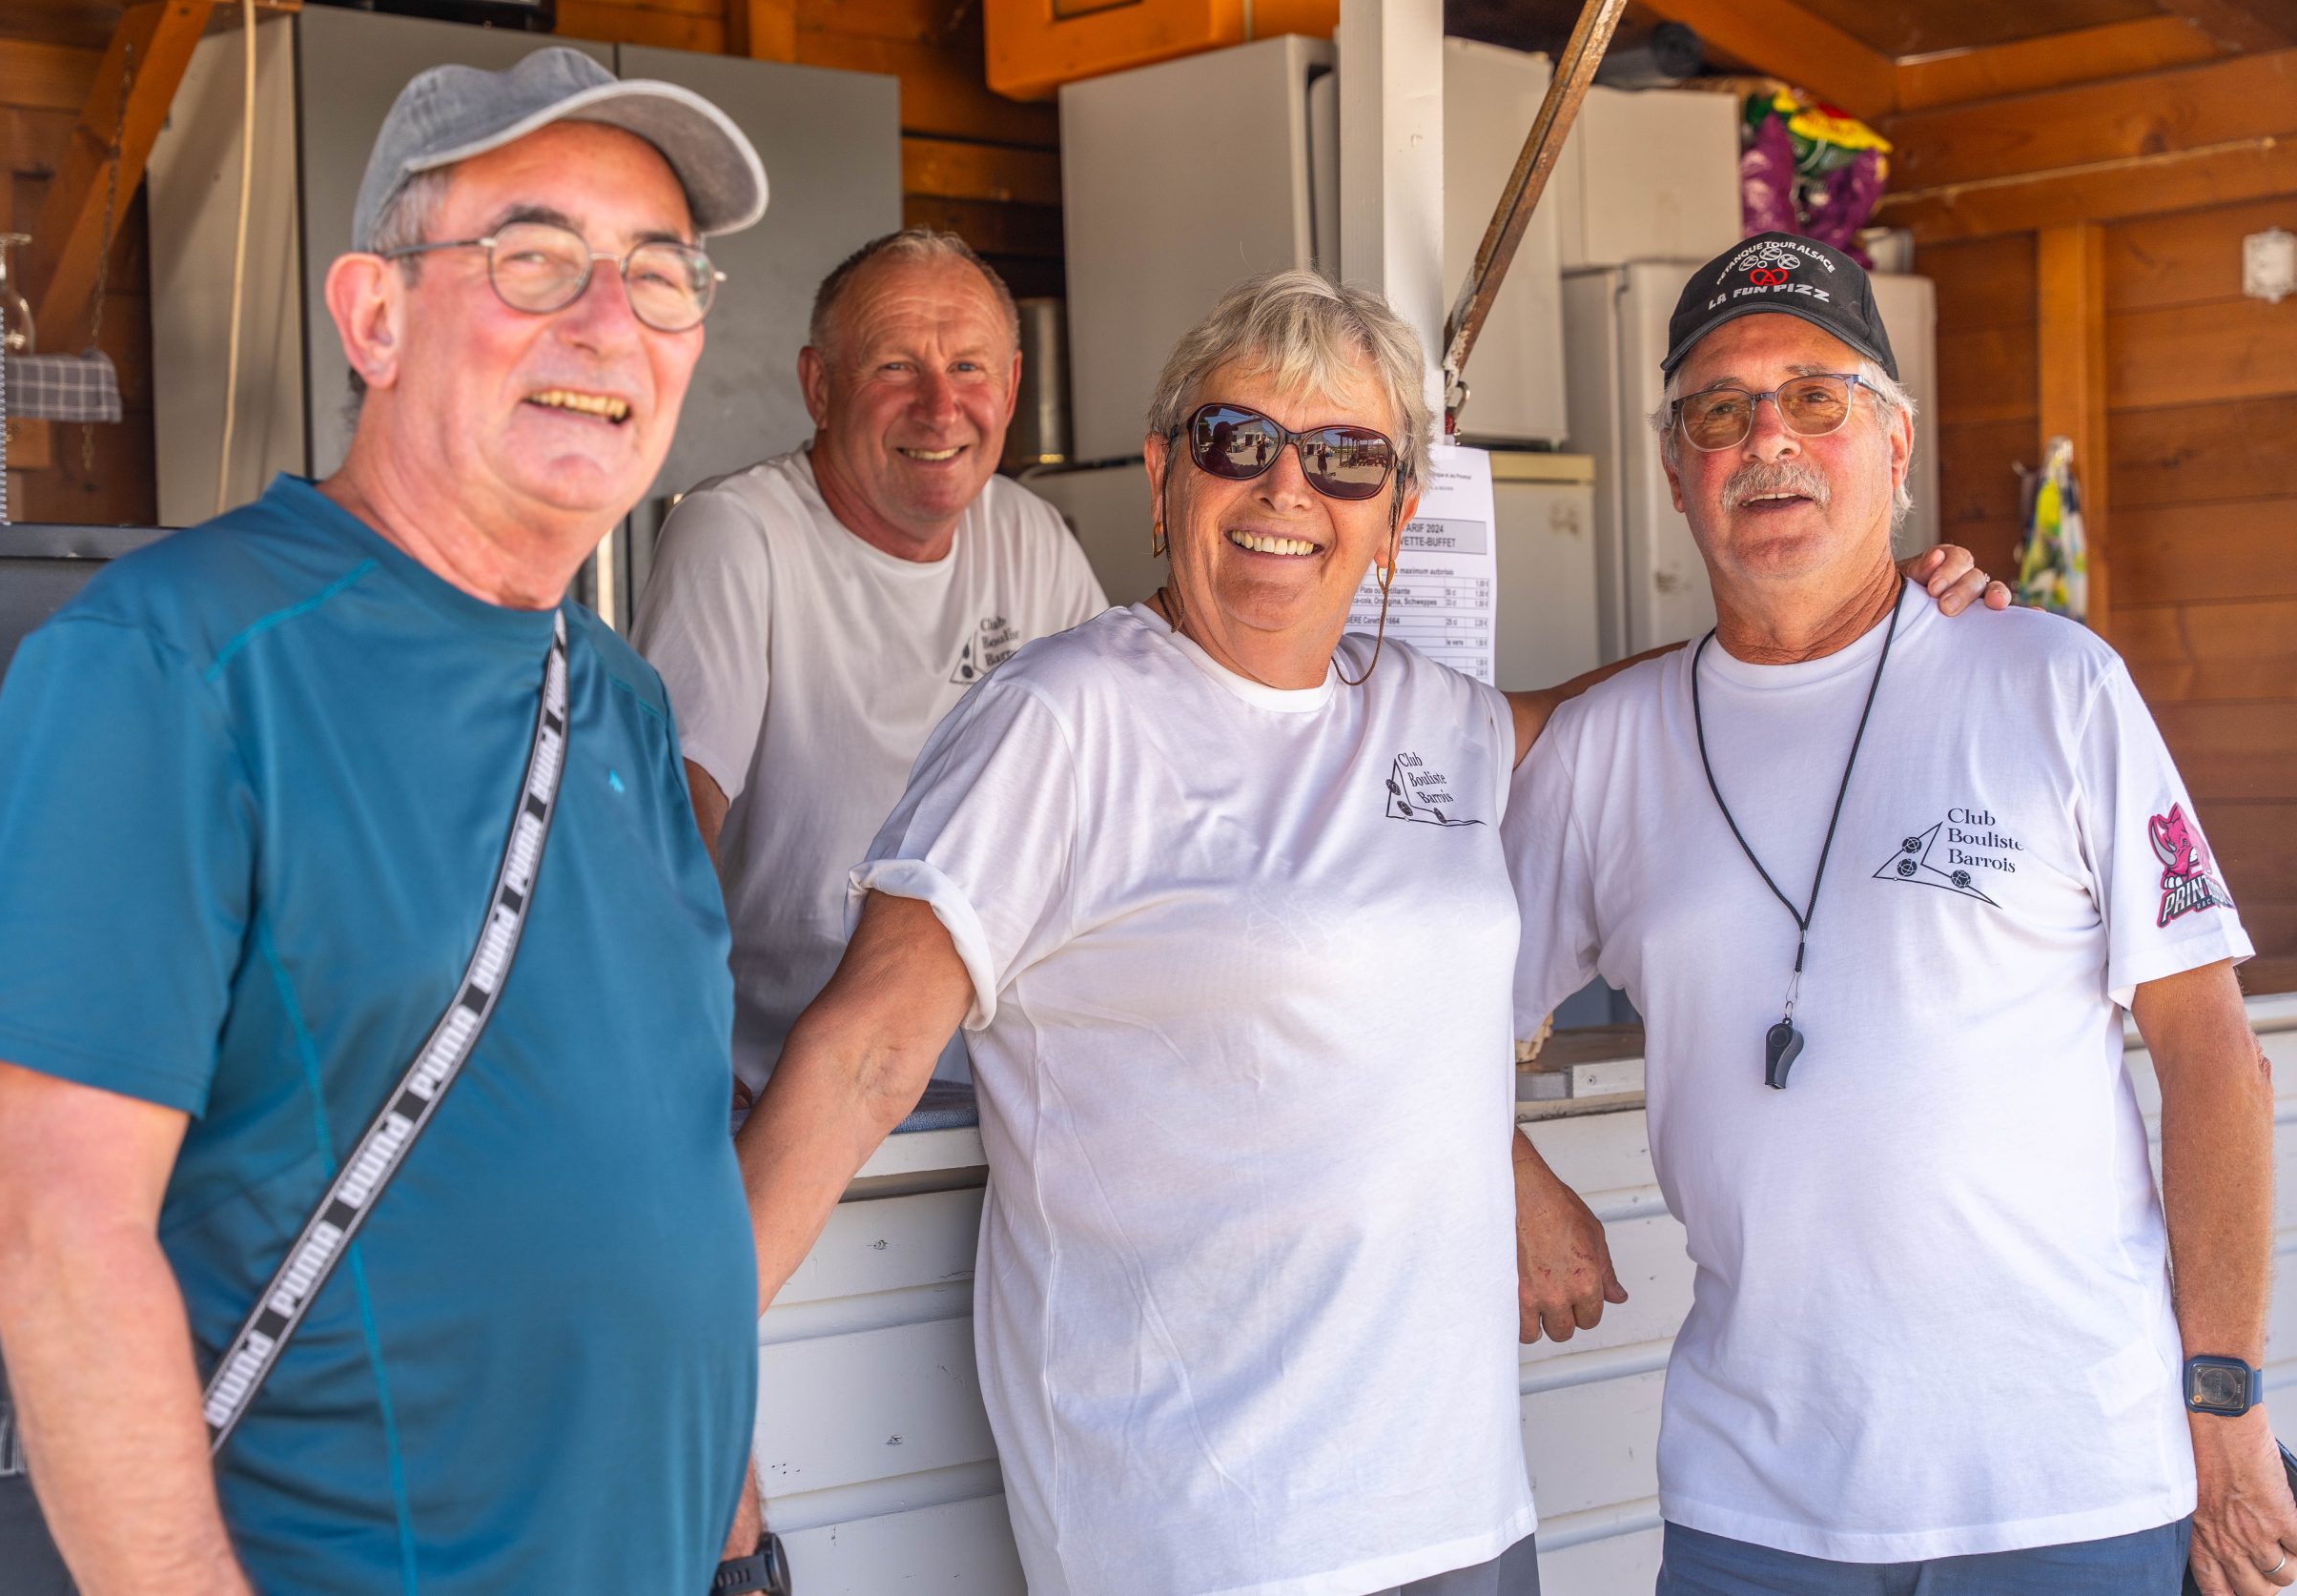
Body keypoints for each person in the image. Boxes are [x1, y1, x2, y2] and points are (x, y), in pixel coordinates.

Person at [727, 269, 1997, 1596]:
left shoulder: (1427, 716)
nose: (1289, 490)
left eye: (1346, 459)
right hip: (1199, 1529)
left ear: (1396, 517)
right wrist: (695, 1391)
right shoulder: (1062, 715)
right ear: (1163, 477)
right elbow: (863, 1053)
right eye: (1240, 443)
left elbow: (1674, 703)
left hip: (1457, 1508)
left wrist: (1874, 614)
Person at [0, 50, 770, 1595]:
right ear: (374, 314)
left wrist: (741, 1544)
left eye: (658, 276)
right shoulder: (169, 664)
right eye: (535, 258)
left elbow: (660, 1182)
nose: (606, 323)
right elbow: (52, 1230)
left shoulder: (627, 704)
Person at [1502, 232, 2289, 1596]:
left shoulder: (2052, 680)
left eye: (1817, 397)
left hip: (2073, 1484)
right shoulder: (1605, 748)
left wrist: (2224, 1400)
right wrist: (1509, 1175)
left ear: (1896, 441)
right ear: (1674, 464)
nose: (1769, 439)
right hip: (1755, 1505)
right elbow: (1434, 1009)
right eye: (1719, 409)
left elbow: (2211, 1047)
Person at [628, 228, 1105, 1102]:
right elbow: (670, 829)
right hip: (783, 1092)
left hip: (993, 1096)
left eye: (969, 368)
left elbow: (1117, 801)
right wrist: (674, 1071)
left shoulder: (1030, 536)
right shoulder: (739, 534)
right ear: (819, 385)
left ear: (1011, 385)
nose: (939, 406)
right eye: (894, 367)